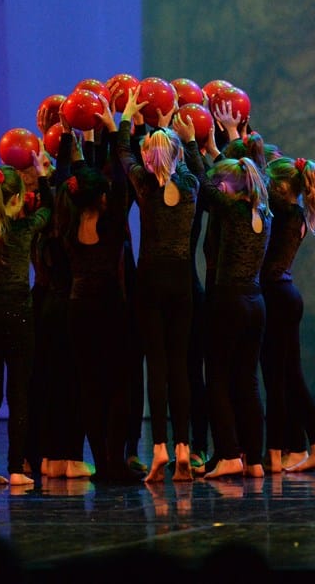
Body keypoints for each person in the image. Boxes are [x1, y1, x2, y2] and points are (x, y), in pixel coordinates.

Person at [112, 85, 202, 483]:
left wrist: (127, 117)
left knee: (158, 365)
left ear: (149, 158)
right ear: (177, 155)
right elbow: (199, 170)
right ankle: (184, 446)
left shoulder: (144, 185)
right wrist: (186, 139)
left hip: (150, 280)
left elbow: (123, 152)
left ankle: (161, 448)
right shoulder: (191, 185)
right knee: (180, 363)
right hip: (181, 280)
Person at [64, 103, 141, 484]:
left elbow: (77, 179)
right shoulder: (111, 226)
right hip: (110, 310)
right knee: (119, 386)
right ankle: (115, 461)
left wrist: (72, 142)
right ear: (103, 199)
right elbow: (123, 181)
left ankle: (100, 463)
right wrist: (116, 127)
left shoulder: (69, 221)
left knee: (90, 387)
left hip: (79, 310)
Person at [0, 157, 53, 487]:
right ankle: (17, 468)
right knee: (18, 394)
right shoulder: (25, 229)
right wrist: (43, 177)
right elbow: (49, 210)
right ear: (17, 199)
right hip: (18, 314)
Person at [193, 148, 272, 480]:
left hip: (229, 301)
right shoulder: (263, 213)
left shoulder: (232, 210)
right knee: (247, 380)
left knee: (218, 378)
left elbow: (202, 183)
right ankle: (253, 460)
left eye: (219, 185)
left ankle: (228, 455)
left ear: (226, 187)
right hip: (255, 302)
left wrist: (191, 145)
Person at [260, 156, 315, 473]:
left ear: (279, 187)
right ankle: (298, 449)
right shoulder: (296, 213)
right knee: (287, 377)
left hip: (277, 297)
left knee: (281, 380)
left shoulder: (283, 214)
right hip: (285, 296)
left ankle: (295, 451)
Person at [32, 122, 95, 479]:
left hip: (46, 307)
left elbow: (53, 200)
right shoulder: (73, 229)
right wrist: (78, 147)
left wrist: (46, 173)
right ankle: (71, 457)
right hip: (71, 306)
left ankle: (49, 457)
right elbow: (75, 193)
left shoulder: (42, 226)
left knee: (50, 382)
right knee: (73, 383)